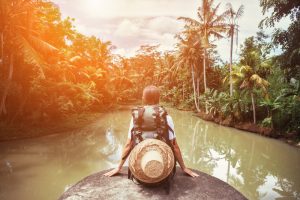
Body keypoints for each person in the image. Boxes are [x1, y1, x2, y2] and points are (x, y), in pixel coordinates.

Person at [104, 85, 198, 178]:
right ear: (158, 99)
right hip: (163, 172)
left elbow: (129, 144)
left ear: (143, 99)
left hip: (140, 172)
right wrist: (184, 168)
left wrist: (118, 167)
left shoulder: (136, 117)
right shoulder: (166, 117)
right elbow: (174, 145)